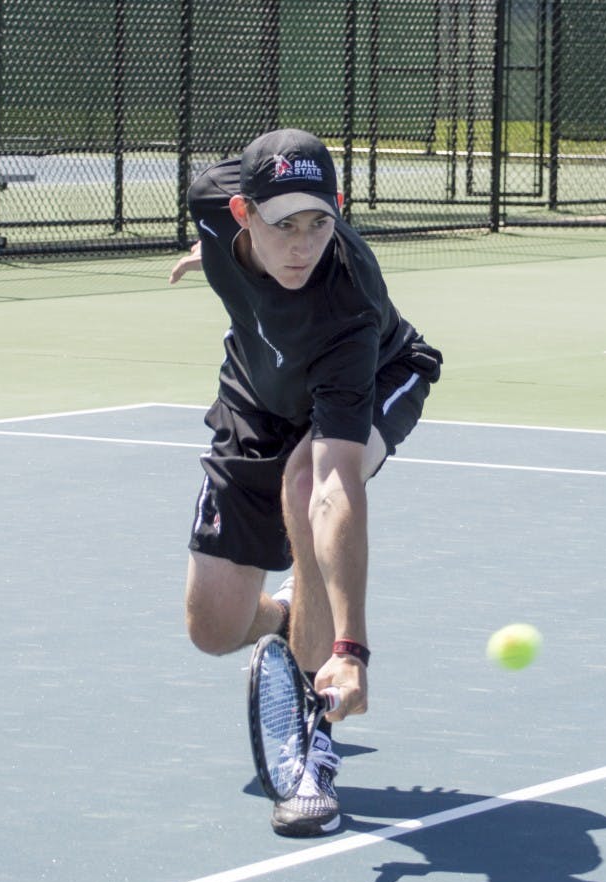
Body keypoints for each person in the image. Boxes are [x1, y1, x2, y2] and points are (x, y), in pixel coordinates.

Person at [170, 128, 442, 837]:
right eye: (280, 225)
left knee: (303, 487)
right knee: (213, 629)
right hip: (255, 394)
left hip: (378, 376)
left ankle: (313, 744)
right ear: (240, 214)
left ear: (340, 210)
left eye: (318, 222)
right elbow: (235, 226)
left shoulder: (346, 301)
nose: (301, 244)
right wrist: (220, 258)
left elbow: (333, 484)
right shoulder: (210, 198)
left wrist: (350, 649)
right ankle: (293, 620)